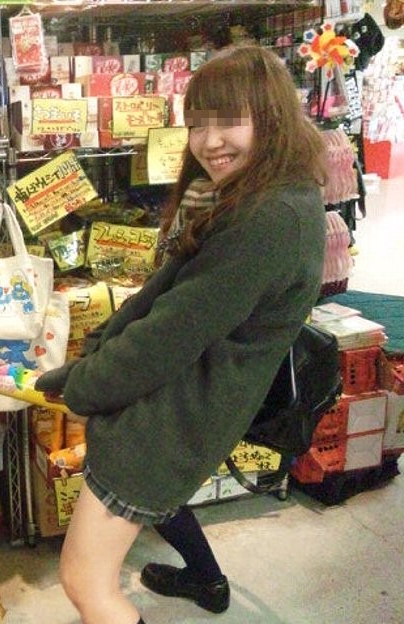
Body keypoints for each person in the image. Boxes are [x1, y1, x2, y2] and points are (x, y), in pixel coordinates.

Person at [35, 46, 327, 623]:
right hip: (170, 405)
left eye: (228, 120)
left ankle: (200, 579)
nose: (208, 141)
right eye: (197, 124)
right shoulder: (251, 195)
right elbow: (165, 296)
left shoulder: (271, 217)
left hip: (171, 419)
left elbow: (171, 332)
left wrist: (87, 385)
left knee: (86, 582)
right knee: (115, 551)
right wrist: (88, 364)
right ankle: (204, 578)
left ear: (270, 116)